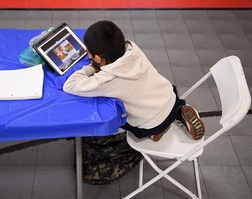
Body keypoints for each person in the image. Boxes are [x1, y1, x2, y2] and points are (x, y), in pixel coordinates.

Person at [63, 20, 205, 142]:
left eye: (88, 52)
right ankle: (180, 110)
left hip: (151, 123)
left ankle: (156, 132)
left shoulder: (106, 79)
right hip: (170, 97)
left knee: (124, 122)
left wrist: (92, 67)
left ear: (99, 58)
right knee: (159, 92)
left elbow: (69, 85)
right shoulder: (133, 50)